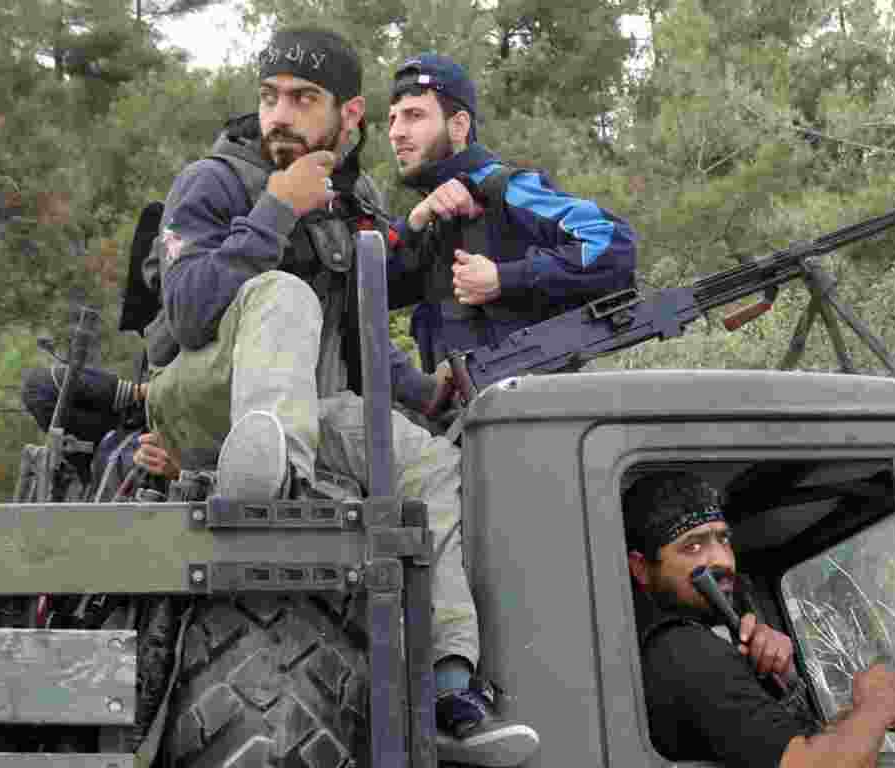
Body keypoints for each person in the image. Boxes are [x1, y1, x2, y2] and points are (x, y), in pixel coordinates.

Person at [142, 25, 537, 765]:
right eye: (269, 97)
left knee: (429, 467)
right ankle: (265, 471)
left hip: (303, 415)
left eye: (303, 98)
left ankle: (453, 691)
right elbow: (187, 312)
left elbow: (359, 342)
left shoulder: (354, 201)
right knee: (286, 296)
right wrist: (275, 211)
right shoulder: (216, 179)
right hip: (201, 398)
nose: (279, 114)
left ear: (348, 116)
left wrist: (428, 396)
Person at [623, 471, 895, 768]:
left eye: (723, 539)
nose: (723, 560)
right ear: (641, 568)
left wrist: (782, 681)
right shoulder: (686, 651)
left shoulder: (663, 651)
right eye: (693, 547)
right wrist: (879, 704)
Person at [385, 53, 637, 376]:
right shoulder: (429, 219)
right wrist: (413, 222)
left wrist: (504, 278)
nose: (396, 132)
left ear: (459, 125)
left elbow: (613, 241)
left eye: (414, 116)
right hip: (463, 417)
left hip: (539, 413)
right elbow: (370, 292)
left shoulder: (509, 190)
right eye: (393, 119)